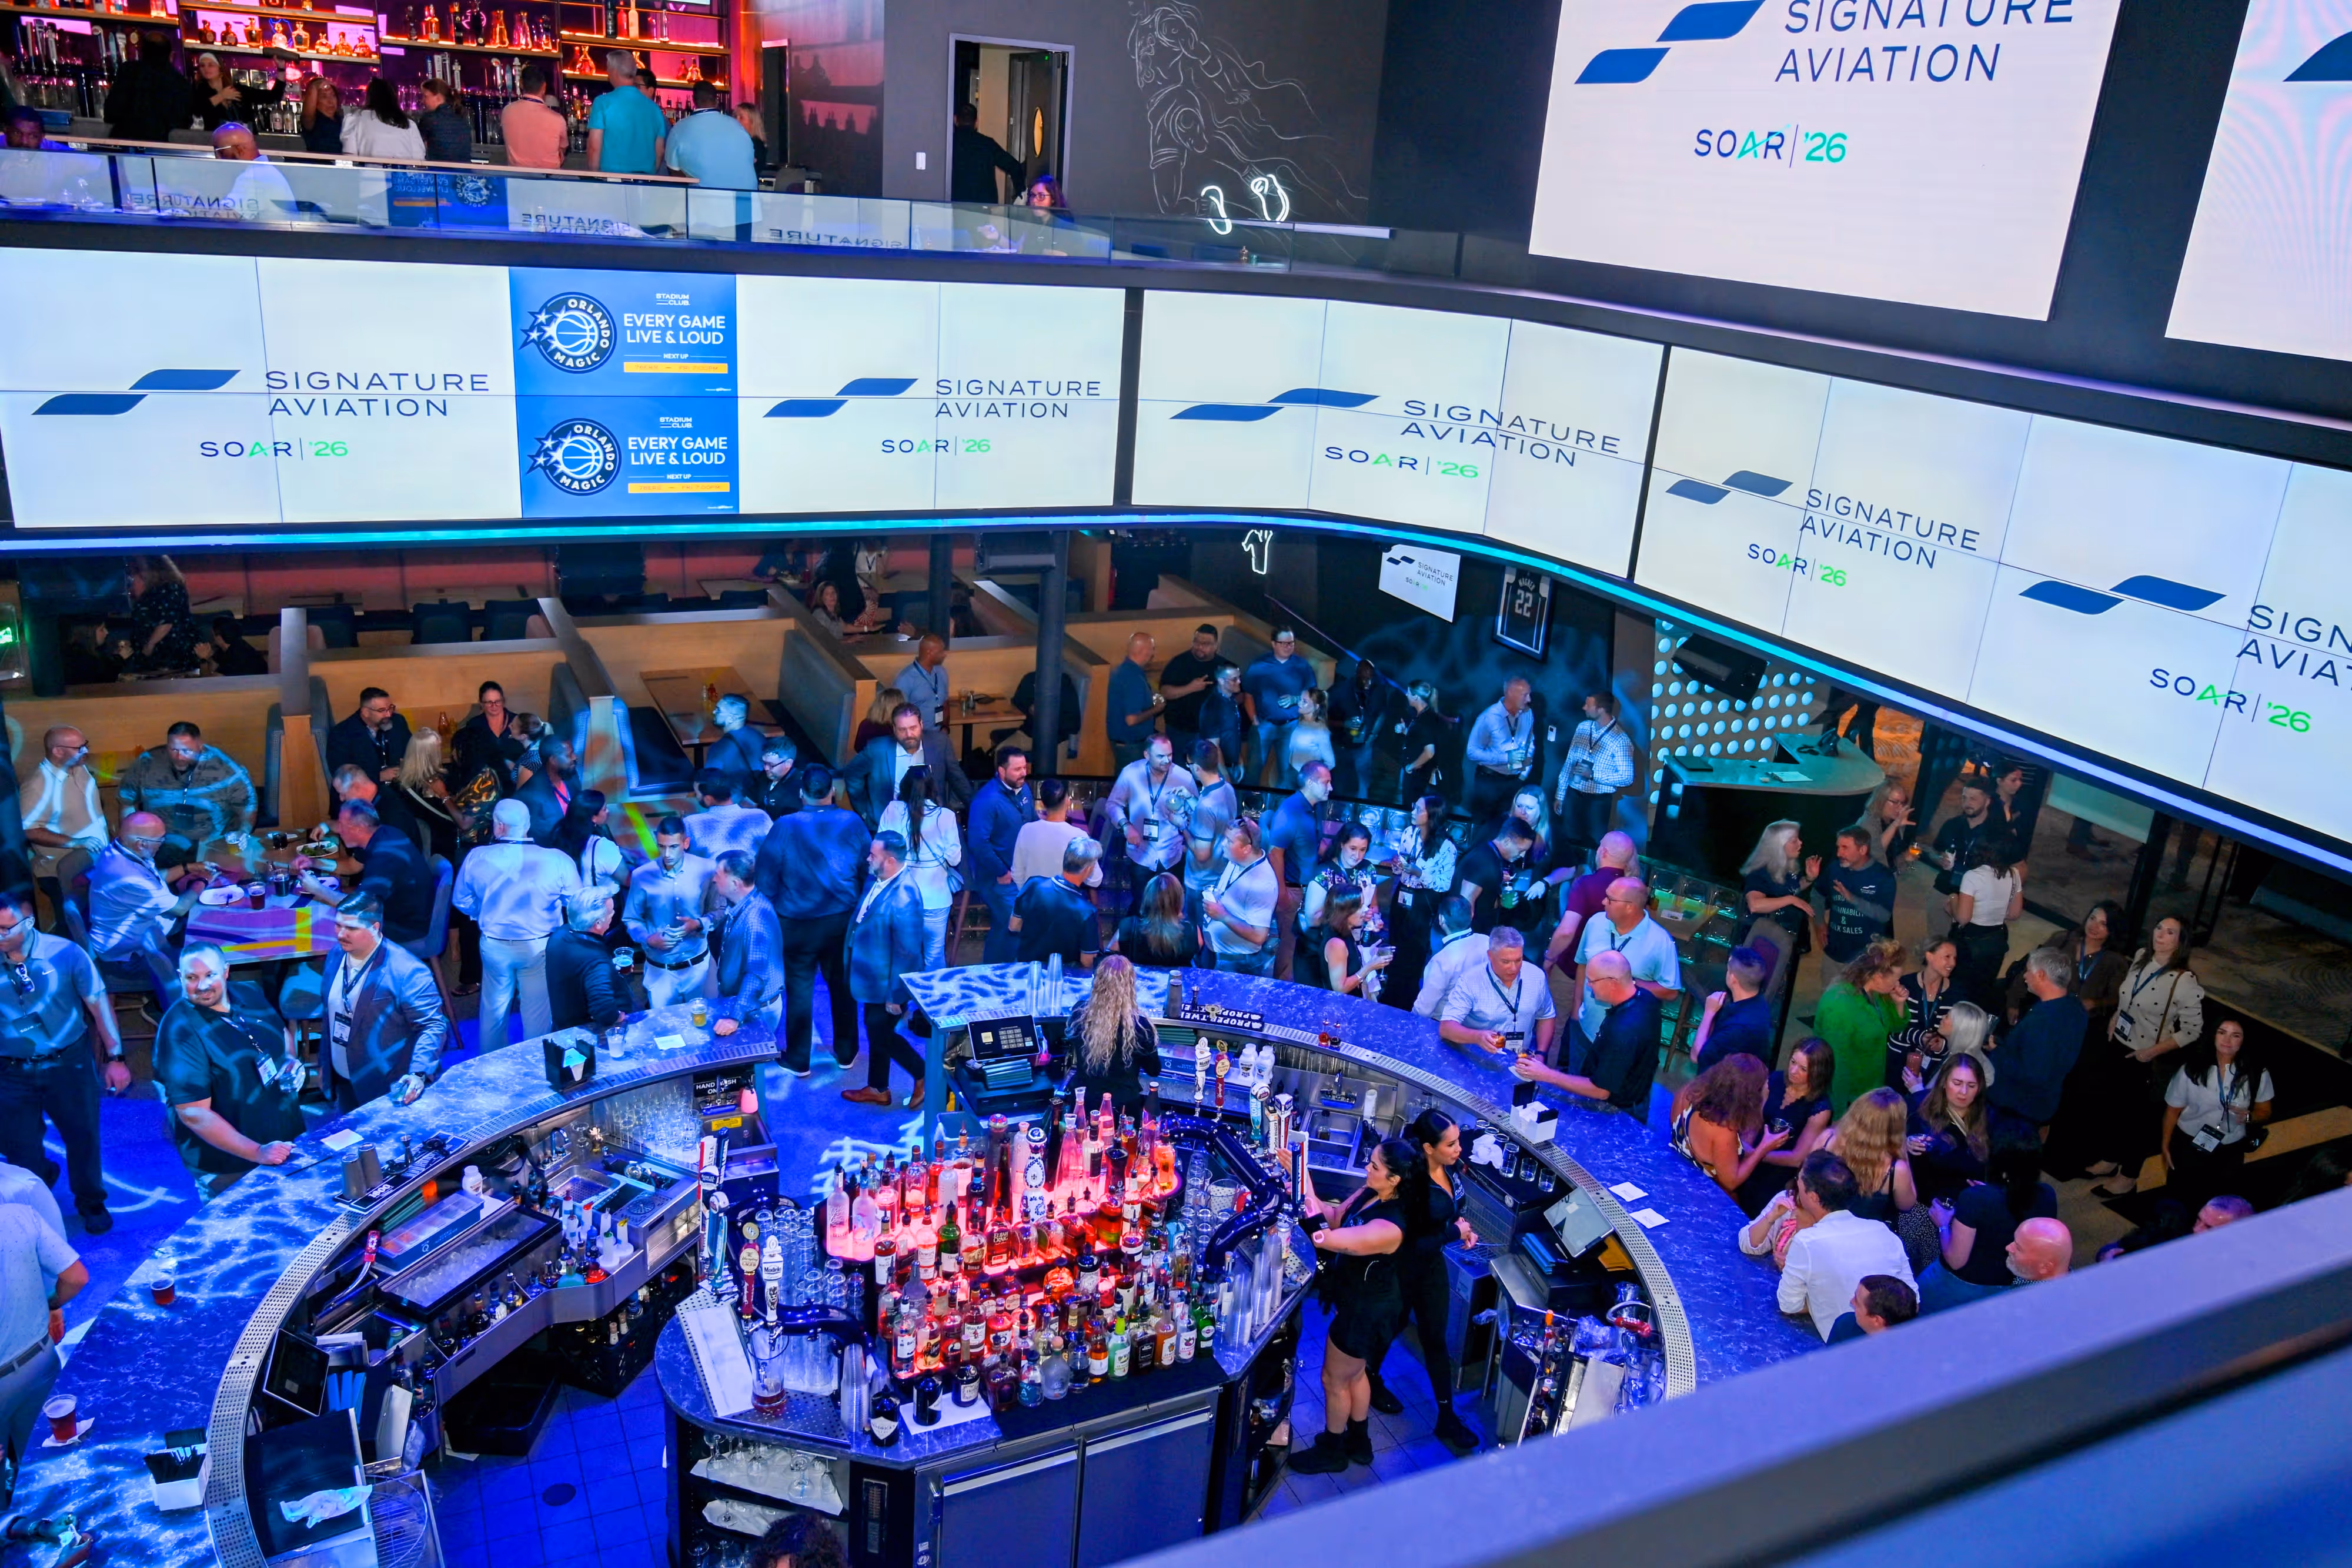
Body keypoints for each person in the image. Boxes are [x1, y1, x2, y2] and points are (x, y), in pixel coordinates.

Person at [0, 891, 128, 1235]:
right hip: (10, 1069)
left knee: (82, 1136)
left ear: (27, 924)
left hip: (67, 1063)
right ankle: (39, 1189)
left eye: (5, 929)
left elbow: (98, 1003)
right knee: (18, 1147)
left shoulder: (65, 953)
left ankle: (91, 1202)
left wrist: (116, 1057)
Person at [1288, 1136, 1415, 1475]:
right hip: (1358, 1301)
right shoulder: (1369, 1194)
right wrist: (1303, 1180)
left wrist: (1304, 1201)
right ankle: (1360, 1442)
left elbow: (1326, 1239)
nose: (1366, 1168)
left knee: (1334, 1379)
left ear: (1395, 1179)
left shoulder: (1390, 1227)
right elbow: (1332, 1217)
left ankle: (1332, 1449)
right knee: (1357, 1373)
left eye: (1374, 1166)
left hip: (1368, 1312)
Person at [1361, 1109, 1482, 1452]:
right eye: (1451, 1144)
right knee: (1391, 1326)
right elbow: (1410, 1242)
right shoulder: (1414, 1186)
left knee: (1435, 1341)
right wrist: (1451, 1233)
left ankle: (1446, 1418)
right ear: (1428, 1147)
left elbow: (1453, 1210)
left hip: (1430, 1270)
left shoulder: (1451, 1168)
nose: (1460, 1149)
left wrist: (1463, 1229)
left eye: (1458, 1141)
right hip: (1404, 1268)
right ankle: (1369, 1378)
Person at [155, 946, 303, 1199]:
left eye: (210, 975)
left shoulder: (249, 993)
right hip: (231, 1166)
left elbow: (282, 1033)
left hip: (283, 1141)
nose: (202, 986)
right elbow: (194, 1113)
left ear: (226, 972)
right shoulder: (179, 1031)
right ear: (180, 977)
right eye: (191, 978)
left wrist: (290, 1060)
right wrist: (258, 1152)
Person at [2082, 914, 2205, 1196]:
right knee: (2114, 1107)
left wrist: (2153, 1051)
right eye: (2159, 928)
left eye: (2170, 932)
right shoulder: (2140, 957)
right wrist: (2116, 1017)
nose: (2160, 935)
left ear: (2180, 943)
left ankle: (2128, 1176)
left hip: (2147, 1057)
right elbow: (2130, 997)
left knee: (2136, 1120)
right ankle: (2111, 1158)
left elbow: (2193, 1030)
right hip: (2120, 1045)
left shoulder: (2184, 981)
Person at [753, 767, 866, 1075]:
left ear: (801, 793)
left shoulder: (785, 825)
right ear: (833, 793)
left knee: (799, 989)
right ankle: (846, 1052)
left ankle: (799, 1059)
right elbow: (867, 869)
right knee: (843, 988)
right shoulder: (852, 821)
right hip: (841, 921)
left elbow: (765, 878)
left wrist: (779, 907)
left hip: (797, 923)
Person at [452, 798, 577, 1053]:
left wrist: (483, 911)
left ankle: (493, 1069)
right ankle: (536, 1069)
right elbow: (576, 902)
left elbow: (461, 900)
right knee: (538, 1014)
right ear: (528, 825)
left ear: (498, 827)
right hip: (540, 947)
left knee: (493, 1012)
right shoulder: (557, 860)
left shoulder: (477, 857)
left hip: (495, 945)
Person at [1760, 1152, 1914, 1341]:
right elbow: (1913, 1298)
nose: (1796, 1184)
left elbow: (1788, 1305)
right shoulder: (1882, 1230)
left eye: (1799, 1180)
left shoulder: (1807, 1242)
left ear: (1813, 1197)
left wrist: (1821, 1299)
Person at [315, 893, 445, 1110]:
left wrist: (418, 1073)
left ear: (375, 927)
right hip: (344, 1079)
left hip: (387, 1086)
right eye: (338, 925)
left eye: (352, 928)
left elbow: (433, 1026)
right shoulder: (335, 955)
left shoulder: (408, 972)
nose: (341, 934)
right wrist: (325, 1065)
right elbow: (330, 1014)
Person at [1914, 1122, 2056, 1313]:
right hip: (2008, 1284)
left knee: (1917, 1296)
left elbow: (1956, 1261)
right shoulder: (2048, 1194)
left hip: (1965, 1285)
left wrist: (1944, 1224)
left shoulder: (1975, 1199)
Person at [0, 1198, 83, 1485]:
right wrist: (51, 1305)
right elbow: (76, 1277)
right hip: (41, 1361)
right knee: (47, 1469)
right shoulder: (20, 1215)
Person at [842, 831, 928, 1109]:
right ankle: (878, 1088)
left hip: (887, 984)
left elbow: (908, 953)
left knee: (881, 1034)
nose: (868, 859)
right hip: (871, 979)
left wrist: (896, 996)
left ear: (890, 861)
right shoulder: (879, 878)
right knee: (875, 1030)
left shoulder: (905, 897)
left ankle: (922, 1073)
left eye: (873, 856)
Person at [1525, 949, 1664, 1114]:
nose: (1589, 986)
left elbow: (1601, 1091)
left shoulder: (1623, 1031)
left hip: (1616, 1112)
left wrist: (1548, 1075)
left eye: (1592, 981)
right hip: (1636, 1098)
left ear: (1612, 982)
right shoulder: (1646, 998)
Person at [2160, 1019, 2272, 1215]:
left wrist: (2248, 1118)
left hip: (2231, 1147)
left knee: (2220, 1203)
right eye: (2222, 1032)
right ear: (2213, 1036)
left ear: (2243, 1041)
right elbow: (2173, 1110)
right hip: (2190, 1142)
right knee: (2180, 1199)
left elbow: (2265, 1111)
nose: (2227, 1040)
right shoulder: (2192, 1069)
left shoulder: (2255, 1072)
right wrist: (2166, 1144)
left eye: (2235, 1035)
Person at [86, 813, 201, 996]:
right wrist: (203, 880)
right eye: (160, 840)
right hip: (129, 958)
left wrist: (189, 868)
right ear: (141, 843)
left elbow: (154, 882)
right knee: (204, 964)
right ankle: (160, 1007)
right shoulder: (127, 875)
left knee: (199, 930)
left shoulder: (121, 850)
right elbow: (179, 908)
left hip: (148, 935)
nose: (163, 843)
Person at [298, 800, 433, 946]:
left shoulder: (384, 857)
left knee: (320, 921)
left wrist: (318, 889)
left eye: (343, 826)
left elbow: (359, 908)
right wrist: (315, 863)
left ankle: (333, 963)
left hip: (403, 927)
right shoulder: (384, 833)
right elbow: (352, 866)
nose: (339, 830)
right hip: (399, 912)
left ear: (359, 828)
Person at [1569, 877, 1682, 1045]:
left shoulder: (1661, 942)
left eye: (1610, 899)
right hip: (1585, 1028)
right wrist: (1577, 1008)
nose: (1603, 902)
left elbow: (1671, 992)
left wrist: (1628, 982)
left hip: (1625, 1040)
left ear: (1629, 907)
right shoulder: (1595, 923)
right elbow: (1582, 965)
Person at [1987, 947, 2087, 1138]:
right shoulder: (2075, 1007)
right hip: (2046, 1101)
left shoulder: (2044, 1021)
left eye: (2028, 971)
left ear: (2041, 975)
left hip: (2018, 1105)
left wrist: (1997, 1052)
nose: (2025, 976)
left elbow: (2033, 1073)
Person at [1738, 1038, 1837, 1215]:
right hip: (1752, 1158)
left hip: (1780, 1175)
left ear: (1818, 1073)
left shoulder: (1819, 1108)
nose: (1793, 1071)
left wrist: (1758, 1153)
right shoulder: (1774, 1081)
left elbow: (1798, 1157)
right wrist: (1745, 1146)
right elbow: (1756, 1120)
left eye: (1803, 1069)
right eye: (1793, 1062)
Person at [626, 817, 718, 1009]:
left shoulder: (707, 869)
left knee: (703, 1031)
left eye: (673, 847)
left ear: (686, 843)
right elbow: (631, 919)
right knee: (664, 1033)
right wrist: (649, 939)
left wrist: (699, 924)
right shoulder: (642, 875)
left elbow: (719, 911)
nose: (667, 854)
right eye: (662, 847)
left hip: (698, 969)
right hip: (661, 973)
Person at [119, 721, 256, 848]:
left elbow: (249, 806)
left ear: (200, 747)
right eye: (174, 750)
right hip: (160, 844)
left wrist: (243, 833)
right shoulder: (146, 763)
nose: (180, 757)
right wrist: (131, 839)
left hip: (211, 844)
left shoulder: (228, 770)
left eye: (187, 751)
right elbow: (127, 800)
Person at [876, 767, 961, 970]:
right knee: (934, 955)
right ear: (933, 788)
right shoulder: (945, 816)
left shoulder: (893, 811)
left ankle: (900, 1000)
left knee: (901, 955)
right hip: (936, 898)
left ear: (904, 788)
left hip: (901, 898)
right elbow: (955, 859)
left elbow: (880, 848)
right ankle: (931, 998)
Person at [1671, 1054, 1786, 1199]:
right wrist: (1764, 1147)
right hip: (1698, 1197)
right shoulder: (1723, 1130)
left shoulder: (1689, 1091)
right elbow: (1731, 1182)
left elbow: (1697, 1140)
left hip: (1676, 1175)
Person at [1817, 940, 1908, 1116]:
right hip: (1849, 1097)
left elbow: (1896, 1027)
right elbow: (1837, 1065)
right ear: (1878, 976)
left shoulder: (1876, 993)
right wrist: (1837, 1114)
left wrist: (1898, 1004)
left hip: (1868, 1089)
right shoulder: (1840, 1006)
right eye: (1896, 979)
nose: (1898, 984)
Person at [16, 726, 105, 908]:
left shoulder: (79, 767)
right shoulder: (38, 786)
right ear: (58, 751)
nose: (86, 751)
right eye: (79, 748)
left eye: (85, 745)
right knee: (72, 927)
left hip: (94, 865)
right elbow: (29, 830)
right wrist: (74, 842)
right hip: (61, 874)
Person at [1439, 927, 1558, 1059]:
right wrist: (1477, 1037)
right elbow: (1447, 1028)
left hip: (1520, 1059)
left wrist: (1541, 1054)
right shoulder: (1470, 981)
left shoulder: (1537, 977)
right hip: (1479, 1057)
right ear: (1490, 955)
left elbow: (1546, 1016)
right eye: (1506, 962)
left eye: (1518, 960)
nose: (1514, 968)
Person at [1064, 956, 1162, 1112]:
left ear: (1097, 981)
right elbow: (1154, 1070)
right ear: (1130, 985)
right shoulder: (1140, 1027)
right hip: (1124, 1109)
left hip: (1084, 1104)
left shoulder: (1079, 1014)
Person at [848, 702, 971, 825]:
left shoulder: (940, 743)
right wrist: (865, 812)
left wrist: (976, 808)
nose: (909, 735)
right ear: (894, 729)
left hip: (932, 823)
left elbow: (957, 779)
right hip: (890, 824)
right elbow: (852, 774)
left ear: (921, 725)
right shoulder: (876, 749)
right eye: (902, 730)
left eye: (913, 728)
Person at [968, 747, 1036, 965]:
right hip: (998, 878)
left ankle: (995, 971)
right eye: (1017, 769)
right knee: (1014, 924)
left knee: (1004, 926)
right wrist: (1001, 871)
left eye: (1024, 768)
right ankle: (1005, 972)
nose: (1023, 773)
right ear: (1001, 770)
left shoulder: (1024, 790)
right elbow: (978, 843)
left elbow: (1032, 822)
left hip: (1021, 873)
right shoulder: (986, 800)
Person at [1388, 794, 1459, 998]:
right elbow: (1401, 865)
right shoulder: (1409, 833)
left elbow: (1445, 884)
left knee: (1414, 952)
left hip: (1423, 902)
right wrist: (1397, 866)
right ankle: (1390, 993)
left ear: (1432, 815)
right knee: (1395, 944)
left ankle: (1407, 998)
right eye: (1415, 807)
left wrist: (1421, 873)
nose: (1413, 812)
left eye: (1419, 809)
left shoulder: (1447, 847)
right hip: (1402, 894)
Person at [705, 851, 784, 1034]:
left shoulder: (755, 919)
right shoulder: (743, 904)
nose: (714, 879)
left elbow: (756, 974)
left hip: (755, 1010)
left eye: (718, 874)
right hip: (744, 1003)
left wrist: (735, 1017)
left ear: (735, 883)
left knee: (752, 1062)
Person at [1264, 763, 1330, 979]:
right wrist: (1282, 893)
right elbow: (1275, 854)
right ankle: (1282, 994)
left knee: (1300, 947)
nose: (1331, 787)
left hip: (1307, 890)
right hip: (1293, 892)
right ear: (1310, 783)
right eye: (1326, 782)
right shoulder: (1290, 812)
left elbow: (1312, 845)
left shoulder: (1313, 808)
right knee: (1289, 948)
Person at [1906, 1046, 1993, 1206]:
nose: (1964, 1092)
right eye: (1957, 1083)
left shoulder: (1990, 1117)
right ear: (1944, 1082)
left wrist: (1989, 1189)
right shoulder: (1920, 1109)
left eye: (1971, 1086)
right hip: (1926, 1205)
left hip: (1967, 1208)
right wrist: (1905, 1144)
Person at [1738, 821, 1816, 999]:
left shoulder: (1789, 868)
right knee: (1753, 993)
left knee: (1771, 993)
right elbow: (1755, 904)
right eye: (1794, 840)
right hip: (1759, 944)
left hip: (1782, 937)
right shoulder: (1760, 871)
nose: (1801, 843)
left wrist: (1809, 879)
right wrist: (1792, 900)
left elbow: (1790, 891)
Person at [1542, 829, 1639, 971]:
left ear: (1604, 852)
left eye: (1600, 846)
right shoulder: (1635, 891)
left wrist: (1549, 958)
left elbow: (1566, 932)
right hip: (1610, 975)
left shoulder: (1586, 884)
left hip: (1572, 970)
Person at [1107, 734, 1195, 887]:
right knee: (1142, 905)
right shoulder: (1131, 773)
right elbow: (1113, 804)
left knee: (1169, 908)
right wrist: (1126, 826)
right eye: (1161, 756)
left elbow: (1196, 813)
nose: (1167, 761)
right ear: (1147, 755)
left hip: (1171, 855)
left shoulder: (1184, 777)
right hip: (1141, 853)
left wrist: (1186, 829)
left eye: (1170, 755)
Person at [1947, 838, 2024, 1009]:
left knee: (1957, 988)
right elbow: (2014, 913)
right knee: (1981, 989)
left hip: (1970, 940)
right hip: (1996, 938)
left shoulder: (1973, 876)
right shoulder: (2014, 874)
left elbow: (1963, 918)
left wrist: (1953, 901)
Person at [1554, 691, 1635, 852]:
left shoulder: (1620, 740)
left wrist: (1593, 775)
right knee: (1569, 840)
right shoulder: (1583, 727)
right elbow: (1570, 760)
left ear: (1601, 709)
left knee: (1594, 845)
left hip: (1598, 802)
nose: (1584, 707)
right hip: (1574, 794)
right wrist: (1560, 794)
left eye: (1588, 705)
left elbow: (1627, 777)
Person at [1202, 819, 1279, 975]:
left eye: (1229, 841)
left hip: (1236, 965)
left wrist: (1222, 915)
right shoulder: (1236, 859)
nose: (1223, 844)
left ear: (1246, 849)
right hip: (1219, 955)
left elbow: (1259, 936)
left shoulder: (1263, 884)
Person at [1012, 839, 1102, 970]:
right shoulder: (1087, 912)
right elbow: (1087, 961)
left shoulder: (1033, 884)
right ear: (1089, 869)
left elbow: (1014, 926)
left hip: (1025, 970)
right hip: (1061, 978)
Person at [1242, 629, 1318, 786]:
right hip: (1264, 724)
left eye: (1291, 643)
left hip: (1291, 726)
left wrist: (1296, 699)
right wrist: (1254, 720)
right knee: (1254, 768)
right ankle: (1249, 806)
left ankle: (1282, 807)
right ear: (1274, 644)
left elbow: (1313, 695)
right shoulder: (1259, 665)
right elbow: (1248, 694)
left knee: (1289, 771)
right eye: (1284, 643)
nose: (1288, 646)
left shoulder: (1302, 666)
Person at [544, 888, 624, 1034]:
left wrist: (611, 971)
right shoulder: (596, 959)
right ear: (598, 923)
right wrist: (618, 1016)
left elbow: (578, 972)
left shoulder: (559, 936)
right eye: (611, 912)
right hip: (588, 1034)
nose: (613, 914)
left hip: (561, 1028)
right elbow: (603, 1009)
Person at [1302, 823, 1385, 961]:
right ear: (1342, 844)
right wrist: (1351, 916)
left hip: (1356, 945)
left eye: (1363, 850)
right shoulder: (1324, 874)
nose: (1357, 856)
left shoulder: (1368, 869)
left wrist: (1375, 918)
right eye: (1353, 848)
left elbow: (1373, 906)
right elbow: (1313, 920)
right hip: (1326, 947)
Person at [1462, 676, 1538, 823]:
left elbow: (1531, 744)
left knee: (1504, 829)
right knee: (1482, 827)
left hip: (1514, 782)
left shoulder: (1528, 714)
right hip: (1489, 782)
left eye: (1530, 694)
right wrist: (1506, 758)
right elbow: (1472, 751)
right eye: (1525, 695)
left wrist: (1523, 775)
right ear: (1511, 694)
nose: (1529, 699)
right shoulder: (1489, 717)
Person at [1819, 825, 1896, 968]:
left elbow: (1884, 915)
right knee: (1829, 990)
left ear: (1863, 850)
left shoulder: (1883, 876)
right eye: (1838, 847)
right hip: (1834, 953)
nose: (1839, 853)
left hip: (1866, 958)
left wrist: (1853, 899)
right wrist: (1819, 923)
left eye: (1845, 848)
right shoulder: (1834, 869)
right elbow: (1817, 894)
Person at [1691, 946, 1775, 1072]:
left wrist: (1709, 1012)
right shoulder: (1759, 1002)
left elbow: (1696, 1056)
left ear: (1733, 978)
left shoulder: (1737, 1029)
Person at [1010, 780, 1103, 890]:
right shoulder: (1079, 836)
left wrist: (1030, 896)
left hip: (1032, 903)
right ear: (1068, 801)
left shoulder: (1026, 831)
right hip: (1065, 903)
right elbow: (1096, 880)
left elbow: (1017, 874)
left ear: (1043, 804)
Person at [1157, 624, 1227, 764]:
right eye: (1197, 642)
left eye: (1205, 644)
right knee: (1180, 773)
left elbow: (1240, 696)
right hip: (1180, 731)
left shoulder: (1224, 667)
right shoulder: (1179, 663)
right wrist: (1191, 688)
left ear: (1216, 645)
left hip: (1210, 734)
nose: (1200, 647)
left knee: (1207, 772)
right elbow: (1165, 692)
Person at [666, 79, 756, 186]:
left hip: (706, 199)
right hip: (746, 198)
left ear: (694, 100)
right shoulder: (737, 126)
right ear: (717, 100)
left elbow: (674, 172)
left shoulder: (679, 129)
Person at [327, 687, 412, 800]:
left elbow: (411, 750)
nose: (388, 715)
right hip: (363, 797)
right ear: (366, 712)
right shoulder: (341, 734)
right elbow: (342, 776)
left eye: (390, 708)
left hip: (401, 787)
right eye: (382, 710)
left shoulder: (398, 722)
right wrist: (379, 776)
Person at [1325, 659, 1394, 799]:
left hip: (1364, 746)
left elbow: (1382, 714)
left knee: (1363, 784)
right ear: (1357, 674)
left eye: (1370, 679)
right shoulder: (1340, 690)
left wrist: (1373, 736)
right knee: (1339, 783)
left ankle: (1360, 814)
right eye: (1365, 679)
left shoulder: (1378, 691)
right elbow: (1323, 719)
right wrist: (1344, 724)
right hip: (1340, 746)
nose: (1368, 684)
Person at [587, 50, 665, 172]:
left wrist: (594, 177)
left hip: (612, 180)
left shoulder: (603, 103)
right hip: (644, 182)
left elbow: (594, 148)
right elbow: (659, 151)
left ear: (614, 71)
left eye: (608, 69)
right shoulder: (655, 109)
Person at [1456, 818, 1537, 935]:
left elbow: (1484, 900)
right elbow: (1465, 902)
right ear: (1507, 841)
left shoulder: (1489, 854)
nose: (1522, 856)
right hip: (1464, 936)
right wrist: (1465, 938)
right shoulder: (1485, 861)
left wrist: (1501, 902)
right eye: (1521, 850)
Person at [105, 31, 189, 143]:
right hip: (161, 147)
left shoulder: (128, 71)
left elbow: (111, 113)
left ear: (142, 51)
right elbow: (183, 122)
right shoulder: (179, 82)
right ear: (170, 54)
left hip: (124, 143)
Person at [1927, 778, 2006, 899]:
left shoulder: (1996, 833)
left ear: (1987, 801)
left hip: (1977, 899)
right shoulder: (1952, 825)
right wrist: (1940, 859)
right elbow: (1934, 851)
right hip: (1944, 890)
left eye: (1973, 799)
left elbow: (2018, 868)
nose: (1967, 803)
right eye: (1964, 798)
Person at [1112, 873, 1207, 969]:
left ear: (1147, 897)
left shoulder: (1128, 926)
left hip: (1138, 983)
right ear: (1178, 899)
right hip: (1176, 983)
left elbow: (1112, 954)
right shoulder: (1192, 931)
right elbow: (1197, 947)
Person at [450, 681, 527, 797]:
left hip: (515, 784)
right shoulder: (474, 725)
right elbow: (469, 761)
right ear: (481, 704)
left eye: (498, 701)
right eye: (489, 702)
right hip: (485, 787)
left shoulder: (517, 722)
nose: (494, 706)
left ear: (503, 701)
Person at [1412, 897, 1484, 1018]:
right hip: (1479, 1021)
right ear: (1472, 915)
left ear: (1441, 920)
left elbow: (1423, 1011)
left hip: (1445, 1024)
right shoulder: (1487, 942)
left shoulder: (1441, 960)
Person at [1316, 889, 1392, 999]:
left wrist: (1369, 952)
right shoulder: (1336, 944)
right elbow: (1340, 988)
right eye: (1360, 907)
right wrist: (1370, 967)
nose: (1366, 910)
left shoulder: (1345, 931)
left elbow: (1348, 959)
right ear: (1345, 912)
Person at [1105, 631, 1164, 771]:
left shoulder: (1122, 671)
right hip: (1132, 747)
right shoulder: (1133, 678)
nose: (1153, 653)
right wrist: (1156, 709)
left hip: (1123, 745)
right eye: (1152, 648)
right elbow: (1131, 720)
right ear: (1144, 651)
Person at [686, 770, 773, 861]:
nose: (696, 796)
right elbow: (775, 850)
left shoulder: (692, 823)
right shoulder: (760, 817)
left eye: (697, 794)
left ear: (708, 799)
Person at [188, 51, 283, 133]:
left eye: (211, 65)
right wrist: (222, 96)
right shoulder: (200, 92)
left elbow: (273, 97)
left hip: (245, 144)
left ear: (220, 67)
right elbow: (197, 112)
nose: (206, 69)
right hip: (217, 145)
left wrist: (281, 69)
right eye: (202, 66)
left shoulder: (239, 91)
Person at [950, 99, 1024, 203]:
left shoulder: (948, 144)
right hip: (982, 208)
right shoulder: (987, 144)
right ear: (976, 122)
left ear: (955, 120)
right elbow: (1014, 166)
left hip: (953, 204)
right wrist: (1020, 194)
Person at [550, 791, 626, 891]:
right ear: (593, 818)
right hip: (601, 904)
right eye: (604, 809)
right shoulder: (603, 847)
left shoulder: (558, 833)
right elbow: (627, 880)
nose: (608, 811)